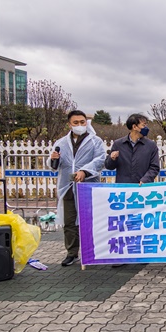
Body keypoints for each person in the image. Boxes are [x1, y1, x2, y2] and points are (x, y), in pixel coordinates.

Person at [49, 110, 106, 267]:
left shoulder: (95, 141)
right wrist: (53, 160)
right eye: (76, 123)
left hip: (88, 187)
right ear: (69, 124)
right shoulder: (60, 143)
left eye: (82, 122)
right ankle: (72, 253)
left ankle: (94, 251)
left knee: (91, 220)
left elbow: (100, 160)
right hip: (68, 187)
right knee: (69, 222)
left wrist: (84, 171)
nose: (80, 125)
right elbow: (55, 166)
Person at [104, 113, 160, 184]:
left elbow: (155, 167)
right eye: (144, 125)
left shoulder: (151, 145)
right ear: (134, 127)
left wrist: (146, 179)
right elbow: (109, 166)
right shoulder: (118, 144)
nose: (146, 128)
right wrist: (112, 159)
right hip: (123, 188)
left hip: (144, 188)